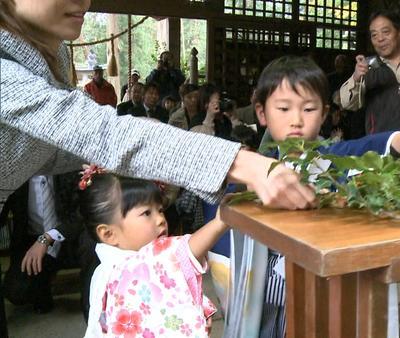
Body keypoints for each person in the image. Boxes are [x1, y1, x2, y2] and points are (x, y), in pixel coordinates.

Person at [0, 0, 317, 237]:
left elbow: (46, 150)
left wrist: (148, 131)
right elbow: (99, 134)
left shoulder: (38, 61)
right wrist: (243, 164)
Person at [224, 55, 400, 338]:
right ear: (262, 113)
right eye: (284, 108)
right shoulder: (254, 175)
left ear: (324, 114)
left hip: (327, 296)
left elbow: (377, 145)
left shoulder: (336, 160)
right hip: (274, 299)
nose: (296, 120)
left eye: (308, 109)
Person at [79, 170, 226, 337]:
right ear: (109, 234)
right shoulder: (129, 267)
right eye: (146, 213)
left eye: (160, 210)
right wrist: (221, 221)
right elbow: (181, 251)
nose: (161, 219)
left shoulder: (105, 270)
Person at [339, 9, 400, 134]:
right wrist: (356, 77)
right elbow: (347, 104)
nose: (380, 39)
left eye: (385, 32)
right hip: (383, 146)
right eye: (374, 35)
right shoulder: (367, 69)